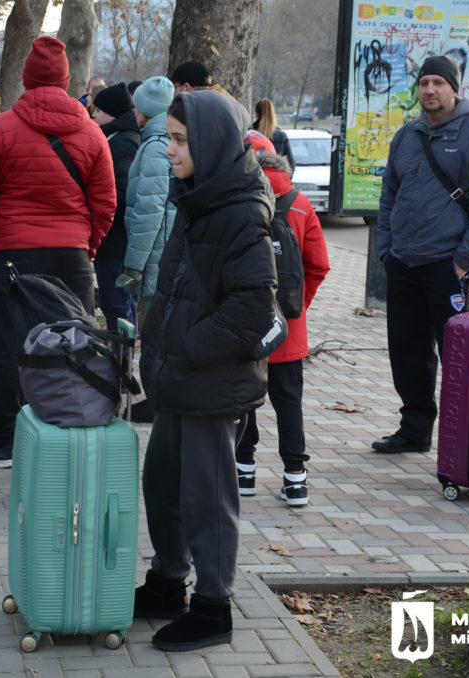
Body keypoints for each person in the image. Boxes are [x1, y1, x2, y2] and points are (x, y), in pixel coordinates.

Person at [133, 90, 277, 652]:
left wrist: (187, 347)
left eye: (179, 140)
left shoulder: (241, 211)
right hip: (179, 380)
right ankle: (170, 581)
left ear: (211, 143)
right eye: (168, 137)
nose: (168, 150)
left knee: (207, 498)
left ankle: (213, 606)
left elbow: (251, 310)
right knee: (163, 484)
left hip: (211, 382)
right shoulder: (197, 198)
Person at [0, 36, 116, 467]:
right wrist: (88, 244)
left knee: (12, 347)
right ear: (68, 80)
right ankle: (70, 433)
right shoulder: (90, 131)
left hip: (14, 253)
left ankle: (4, 442)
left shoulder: (0, 129)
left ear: (27, 78)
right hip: (71, 254)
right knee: (74, 343)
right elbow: (105, 202)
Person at [372, 55, 469, 454]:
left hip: (448, 267)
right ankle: (414, 430)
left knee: (458, 355)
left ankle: (463, 436)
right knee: (407, 350)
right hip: (403, 263)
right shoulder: (407, 135)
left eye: (438, 83)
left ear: (456, 89)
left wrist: (462, 261)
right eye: (424, 83)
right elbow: (389, 196)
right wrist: (386, 250)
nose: (430, 90)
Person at [234, 130, 330, 506]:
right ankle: (295, 480)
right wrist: (296, 306)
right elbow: (318, 265)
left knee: (245, 398)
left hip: (244, 324)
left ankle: (244, 471)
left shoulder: (238, 201)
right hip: (289, 329)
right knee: (289, 403)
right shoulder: (301, 204)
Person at [118, 75, 175, 422]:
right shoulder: (164, 139)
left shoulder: (155, 146)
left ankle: (156, 402)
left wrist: (132, 265)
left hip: (153, 257)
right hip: (161, 253)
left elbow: (148, 211)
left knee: (153, 332)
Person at [91, 83, 140, 335]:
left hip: (116, 243)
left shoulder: (122, 143)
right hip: (118, 243)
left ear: (112, 114)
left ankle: (120, 366)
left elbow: (118, 195)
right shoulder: (119, 137)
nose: (93, 115)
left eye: (98, 110)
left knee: (118, 306)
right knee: (122, 304)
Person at [252, 97, 294, 168]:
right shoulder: (281, 136)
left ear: (256, 113)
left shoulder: (250, 135)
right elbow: (291, 164)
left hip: (256, 178)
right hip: (276, 178)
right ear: (272, 113)